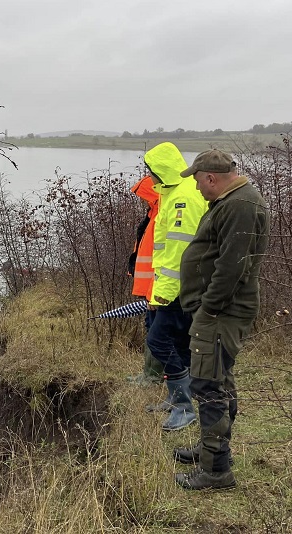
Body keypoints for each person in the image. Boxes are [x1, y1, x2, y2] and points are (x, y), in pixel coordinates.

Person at [174, 150, 268, 490]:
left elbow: (232, 267)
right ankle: (209, 450)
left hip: (220, 313)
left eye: (198, 182)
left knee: (208, 386)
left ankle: (216, 470)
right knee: (218, 377)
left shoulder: (241, 205)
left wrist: (208, 308)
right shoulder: (233, 201)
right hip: (218, 311)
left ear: (210, 177)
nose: (197, 189)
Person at [144, 142, 207, 431]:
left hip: (180, 289)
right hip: (180, 287)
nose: (150, 177)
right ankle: (177, 399)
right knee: (179, 342)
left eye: (152, 171)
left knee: (158, 340)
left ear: (162, 170)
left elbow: (180, 252)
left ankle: (184, 406)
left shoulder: (183, 198)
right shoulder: (173, 194)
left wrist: (163, 293)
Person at [126, 176, 164, 386]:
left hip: (158, 286)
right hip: (151, 285)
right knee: (151, 328)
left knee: (157, 331)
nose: (142, 200)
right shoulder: (153, 214)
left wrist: (154, 288)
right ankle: (148, 374)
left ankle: (154, 377)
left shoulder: (160, 216)